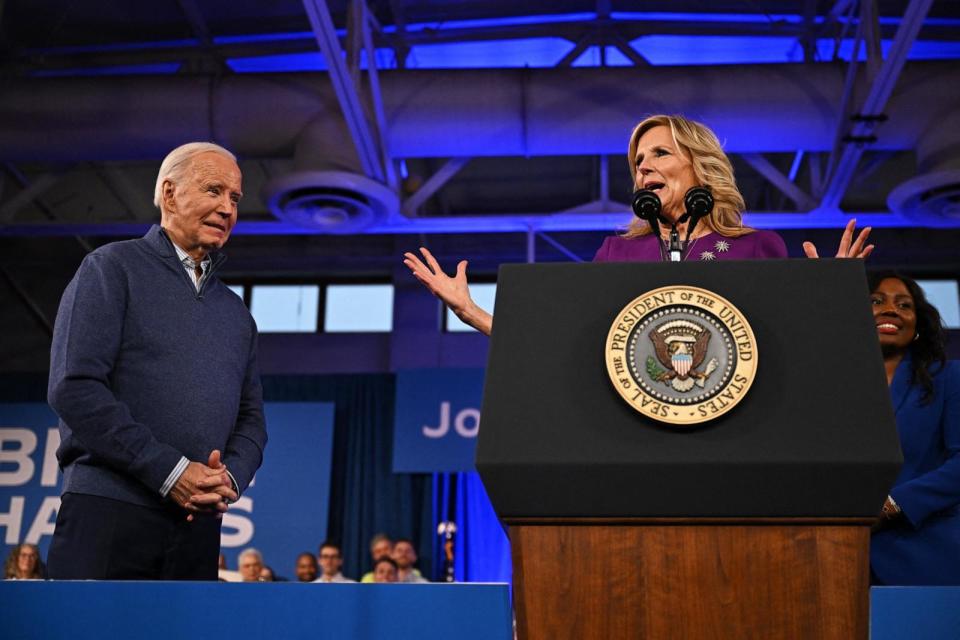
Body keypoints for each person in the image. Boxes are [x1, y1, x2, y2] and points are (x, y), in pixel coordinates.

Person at [403, 114, 873, 336]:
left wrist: (831, 297)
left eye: (660, 154)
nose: (643, 167)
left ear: (700, 165)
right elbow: (565, 341)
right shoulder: (616, 253)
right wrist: (473, 313)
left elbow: (790, 344)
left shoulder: (758, 247)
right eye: (638, 160)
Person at [46, 142, 268, 580]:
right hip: (108, 512)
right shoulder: (111, 268)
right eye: (214, 190)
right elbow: (75, 387)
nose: (227, 208)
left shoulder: (236, 313)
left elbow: (252, 419)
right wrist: (170, 472)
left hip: (199, 526)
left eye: (235, 198)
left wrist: (230, 480)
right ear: (169, 195)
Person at [868, 271, 960, 585]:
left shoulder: (948, 378)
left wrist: (894, 505)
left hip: (924, 556)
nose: (891, 310)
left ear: (917, 324)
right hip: (833, 555)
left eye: (904, 305)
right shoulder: (828, 386)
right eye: (876, 301)